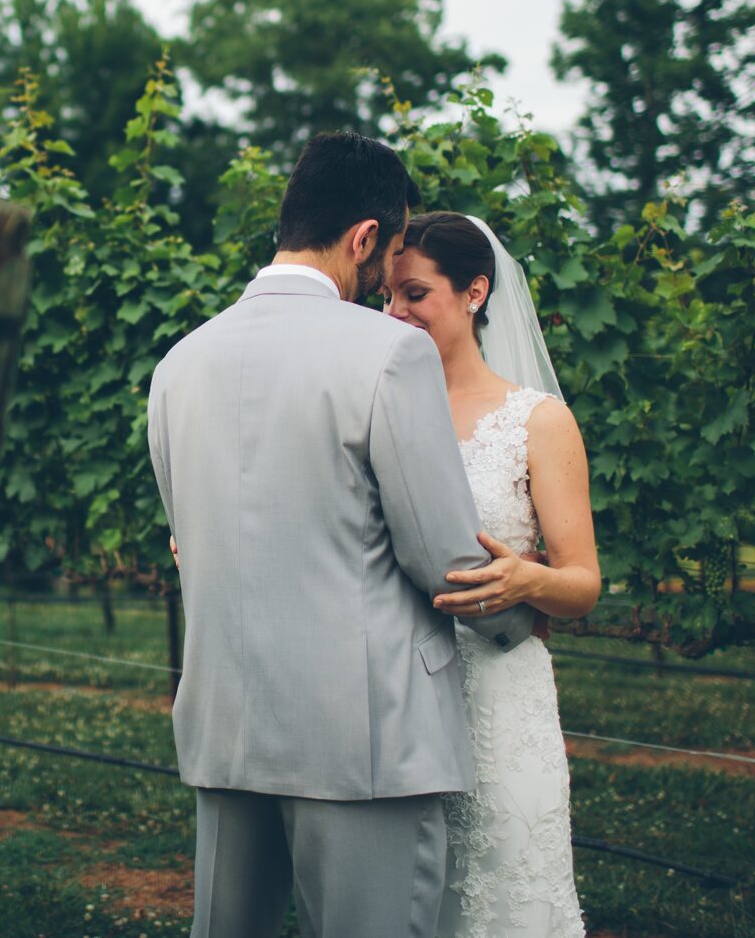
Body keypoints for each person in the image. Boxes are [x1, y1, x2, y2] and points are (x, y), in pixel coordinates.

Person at [147, 134, 536, 938]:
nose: (387, 279)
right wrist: (520, 616)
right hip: (365, 736)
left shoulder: (178, 364)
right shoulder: (389, 352)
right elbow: (442, 555)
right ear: (364, 238)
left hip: (225, 725)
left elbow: (189, 539)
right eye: (391, 250)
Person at [384, 211, 600, 938]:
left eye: (415, 293)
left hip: (503, 694)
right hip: (400, 693)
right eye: (387, 296)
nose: (395, 312)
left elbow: (583, 583)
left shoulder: (539, 420)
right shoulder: (377, 408)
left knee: (505, 884)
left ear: (475, 291)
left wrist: (527, 583)